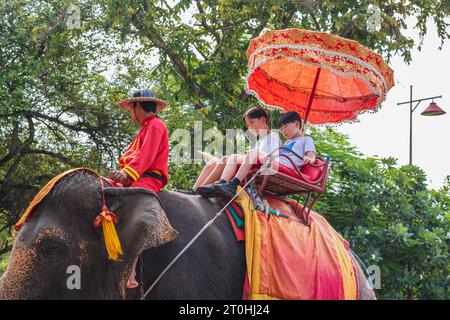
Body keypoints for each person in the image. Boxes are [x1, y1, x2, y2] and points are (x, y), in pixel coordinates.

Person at [110, 89, 169, 289]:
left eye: (131, 109)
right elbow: (134, 159)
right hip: (135, 176)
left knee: (133, 210)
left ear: (137, 107)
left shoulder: (156, 125)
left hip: (148, 179)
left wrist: (127, 175)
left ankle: (130, 271)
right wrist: (122, 174)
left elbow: (146, 157)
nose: (130, 113)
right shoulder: (145, 128)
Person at [202, 111, 316, 199]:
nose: (283, 131)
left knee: (252, 153)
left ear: (297, 124)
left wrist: (309, 157)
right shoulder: (287, 142)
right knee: (239, 156)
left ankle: (233, 185)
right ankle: (223, 183)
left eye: (285, 126)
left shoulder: (306, 139)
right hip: (277, 162)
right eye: (281, 129)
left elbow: (311, 155)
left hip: (286, 166)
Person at [195, 107, 281, 197]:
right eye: (248, 125)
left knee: (235, 157)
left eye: (252, 122)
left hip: (265, 164)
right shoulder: (259, 142)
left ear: (263, 120)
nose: (250, 127)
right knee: (224, 159)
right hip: (254, 162)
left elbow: (271, 157)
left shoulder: (273, 136)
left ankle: (229, 184)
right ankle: (197, 189)